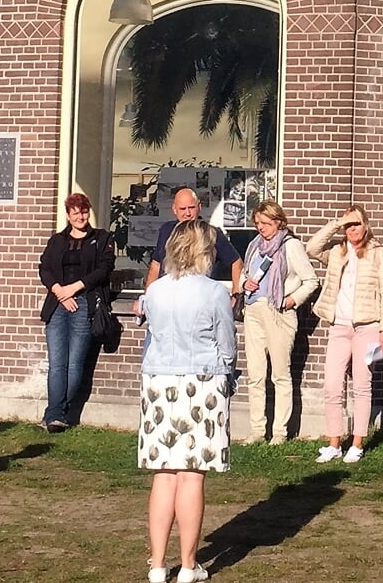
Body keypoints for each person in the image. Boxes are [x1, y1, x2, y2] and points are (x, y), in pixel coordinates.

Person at [139, 219, 238, 583]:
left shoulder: (155, 291)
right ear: (204, 251)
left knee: (163, 476)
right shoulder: (213, 292)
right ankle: (188, 565)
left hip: (159, 381)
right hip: (202, 380)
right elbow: (226, 343)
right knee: (191, 476)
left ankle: (157, 564)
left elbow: (151, 335)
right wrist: (228, 372)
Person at [309, 205, 383, 464]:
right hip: (339, 326)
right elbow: (312, 248)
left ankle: (357, 442)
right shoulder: (337, 252)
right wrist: (336, 223)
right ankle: (334, 442)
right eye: (348, 226)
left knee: (361, 385)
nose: (352, 230)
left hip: (367, 326)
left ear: (366, 225)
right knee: (332, 385)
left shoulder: (377, 253)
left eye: (356, 224)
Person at [238, 199, 317, 443]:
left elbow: (311, 280)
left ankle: (280, 431)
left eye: (266, 223)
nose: (261, 228)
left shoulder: (291, 246)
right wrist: (244, 283)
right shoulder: (254, 245)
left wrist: (291, 300)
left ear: (278, 222)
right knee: (256, 373)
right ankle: (257, 430)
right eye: (258, 223)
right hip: (253, 310)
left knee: (280, 374)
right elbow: (243, 274)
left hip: (278, 313)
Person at [38, 191, 115, 431]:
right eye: (75, 213)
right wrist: (59, 291)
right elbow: (45, 268)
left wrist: (74, 288)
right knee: (57, 363)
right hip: (58, 304)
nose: (80, 216)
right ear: (68, 216)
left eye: (84, 212)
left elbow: (103, 270)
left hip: (84, 302)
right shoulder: (57, 241)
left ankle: (57, 413)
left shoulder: (102, 238)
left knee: (75, 363)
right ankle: (55, 415)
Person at [143, 188, 242, 289]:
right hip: (167, 293)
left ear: (199, 207)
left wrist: (236, 292)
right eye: (182, 209)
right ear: (174, 209)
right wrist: (147, 297)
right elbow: (156, 265)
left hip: (199, 294)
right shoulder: (166, 230)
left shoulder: (211, 233)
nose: (188, 213)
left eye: (191, 207)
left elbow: (236, 261)